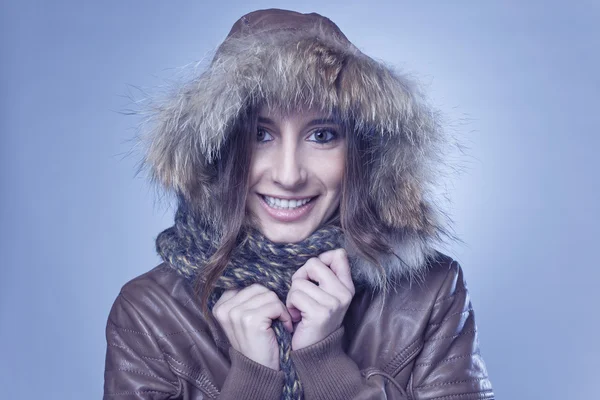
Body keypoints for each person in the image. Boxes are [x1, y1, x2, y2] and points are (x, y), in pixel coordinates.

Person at [103, 8, 494, 400]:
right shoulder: (149, 314)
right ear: (217, 149)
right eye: (260, 135)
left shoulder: (430, 293)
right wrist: (251, 383)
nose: (289, 175)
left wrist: (326, 366)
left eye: (322, 135)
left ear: (363, 152)